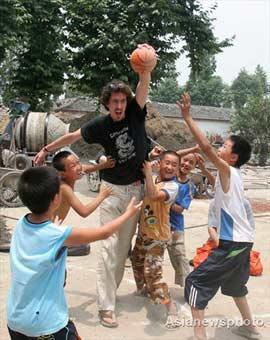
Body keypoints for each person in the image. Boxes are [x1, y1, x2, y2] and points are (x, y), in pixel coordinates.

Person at [34, 44, 155, 327]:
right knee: (109, 246)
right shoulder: (100, 125)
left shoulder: (136, 113)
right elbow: (73, 136)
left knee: (122, 246)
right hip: (110, 190)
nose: (119, 105)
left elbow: (143, 87)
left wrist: (145, 70)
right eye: (114, 101)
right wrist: (47, 148)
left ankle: (109, 294)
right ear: (106, 104)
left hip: (136, 190)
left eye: (122, 101)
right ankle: (106, 305)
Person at [7, 166, 142, 340]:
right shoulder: (59, 235)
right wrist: (128, 213)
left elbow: (41, 239)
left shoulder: (20, 223)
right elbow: (104, 233)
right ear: (56, 199)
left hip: (16, 318)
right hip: (45, 324)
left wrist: (53, 230)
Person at [178, 92, 261, 340]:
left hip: (233, 244)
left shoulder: (227, 169)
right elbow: (219, 187)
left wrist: (187, 117)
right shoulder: (232, 175)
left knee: (195, 282)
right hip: (244, 243)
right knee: (235, 286)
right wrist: (204, 168)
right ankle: (250, 328)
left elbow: (204, 146)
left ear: (233, 157)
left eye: (224, 145)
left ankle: (199, 337)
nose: (219, 147)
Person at [131, 151, 180, 329]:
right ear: (160, 163)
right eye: (166, 162)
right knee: (136, 261)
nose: (169, 167)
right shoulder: (155, 179)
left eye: (174, 165)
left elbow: (153, 196)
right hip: (143, 233)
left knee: (153, 274)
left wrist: (148, 174)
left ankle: (171, 307)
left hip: (158, 238)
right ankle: (145, 289)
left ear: (177, 169)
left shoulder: (173, 187)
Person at [52, 150, 115, 256]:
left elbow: (85, 168)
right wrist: (102, 195)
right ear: (62, 174)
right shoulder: (64, 188)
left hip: (53, 229)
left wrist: (104, 165)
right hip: (49, 232)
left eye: (78, 162)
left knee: (82, 245)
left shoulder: (70, 175)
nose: (79, 167)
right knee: (83, 247)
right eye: (73, 166)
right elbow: (84, 212)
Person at [167, 151, 197, 287]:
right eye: (185, 160)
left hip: (176, 226)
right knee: (152, 257)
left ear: (194, 167)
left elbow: (179, 209)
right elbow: (169, 155)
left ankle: (187, 286)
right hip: (158, 222)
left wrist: (165, 199)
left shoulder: (190, 187)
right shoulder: (168, 176)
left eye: (191, 162)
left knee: (179, 257)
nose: (187, 164)